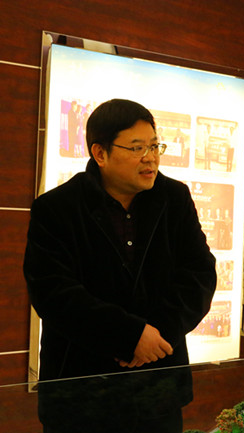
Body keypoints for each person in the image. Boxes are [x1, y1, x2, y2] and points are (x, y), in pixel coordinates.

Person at [24, 99, 217, 433]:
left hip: (157, 389)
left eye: (155, 146)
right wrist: (128, 337)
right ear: (100, 153)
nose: (151, 157)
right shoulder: (56, 208)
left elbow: (199, 275)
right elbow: (53, 293)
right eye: (137, 148)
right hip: (81, 393)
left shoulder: (174, 198)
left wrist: (155, 336)